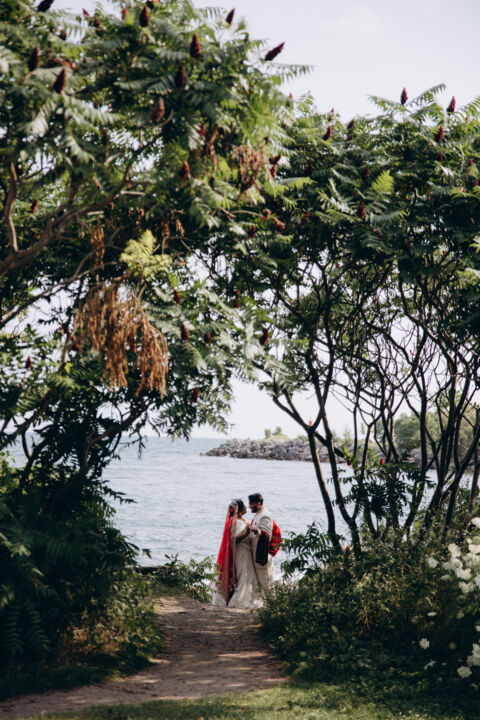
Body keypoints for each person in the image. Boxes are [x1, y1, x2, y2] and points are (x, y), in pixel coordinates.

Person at [211, 499, 260, 608]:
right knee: (244, 576)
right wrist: (246, 534)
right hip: (242, 553)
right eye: (245, 506)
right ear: (240, 510)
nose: (247, 508)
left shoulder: (241, 521)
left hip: (246, 552)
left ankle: (235, 600)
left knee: (244, 577)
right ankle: (237, 602)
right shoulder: (237, 523)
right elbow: (234, 540)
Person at [248, 492, 274, 591]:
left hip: (262, 555)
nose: (250, 506)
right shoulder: (258, 514)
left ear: (258, 503)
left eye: (251, 504)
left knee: (265, 582)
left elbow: (267, 535)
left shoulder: (265, 516)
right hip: (255, 554)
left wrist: (256, 530)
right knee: (259, 582)